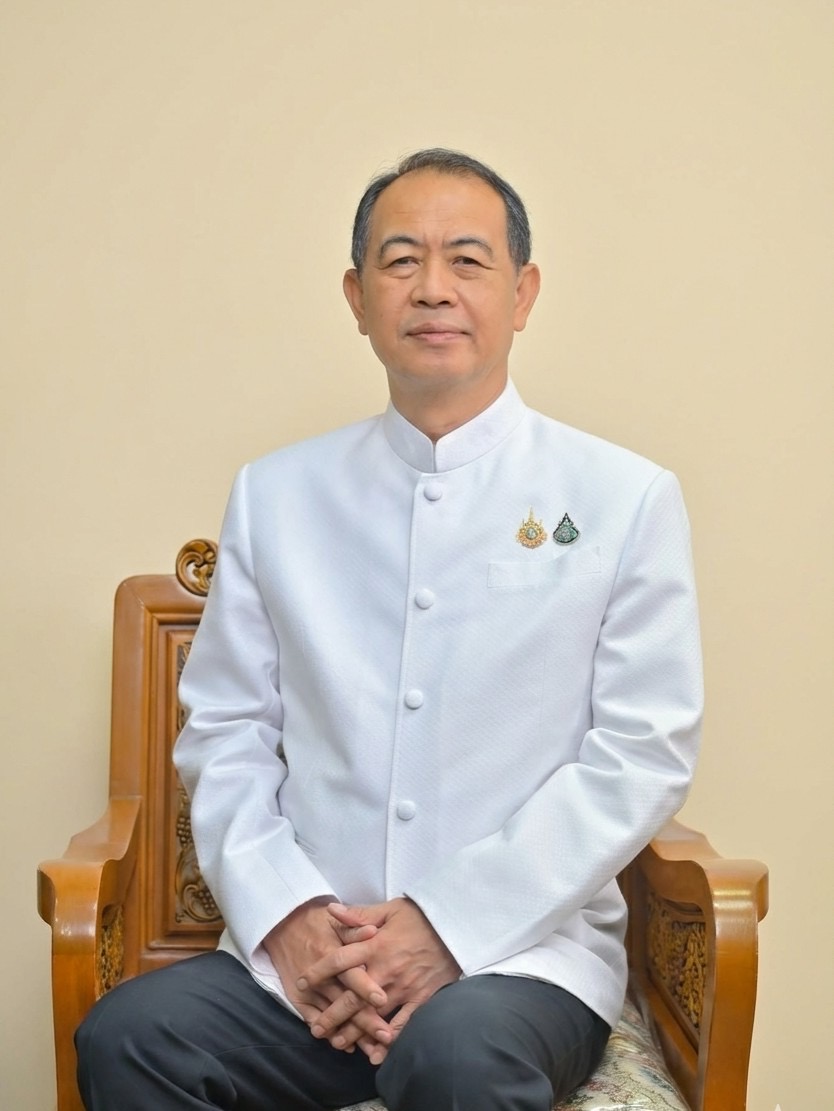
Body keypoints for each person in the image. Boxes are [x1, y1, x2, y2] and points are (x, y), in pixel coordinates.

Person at [75, 148, 703, 1111]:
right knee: (130, 1037)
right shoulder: (277, 495)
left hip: (518, 960)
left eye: (468, 260)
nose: (433, 287)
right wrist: (288, 917)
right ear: (357, 297)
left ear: (523, 293)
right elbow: (225, 731)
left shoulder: (622, 497)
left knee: (455, 1056)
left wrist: (446, 924)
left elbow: (642, 752)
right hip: (308, 965)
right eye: (401, 260)